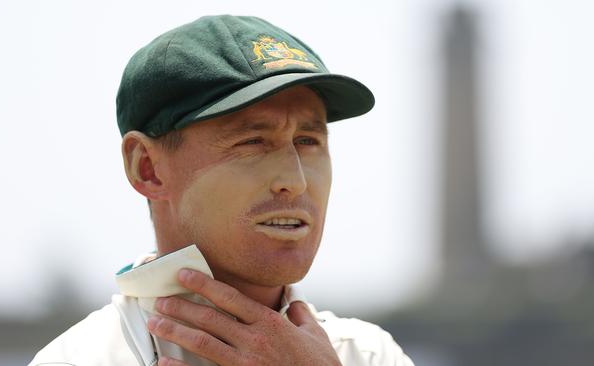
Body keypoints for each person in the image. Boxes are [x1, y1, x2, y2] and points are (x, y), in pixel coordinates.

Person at [29, 15, 414, 366]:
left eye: (308, 140)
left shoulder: (369, 354)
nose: (294, 180)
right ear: (147, 168)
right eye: (252, 141)